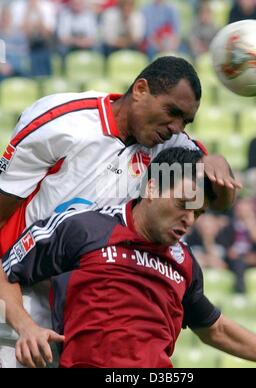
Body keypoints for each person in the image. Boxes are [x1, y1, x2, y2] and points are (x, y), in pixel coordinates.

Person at [0, 56, 240, 367]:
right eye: (172, 113)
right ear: (140, 89)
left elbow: (215, 202)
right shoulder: (61, 122)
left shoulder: (168, 149)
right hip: (18, 301)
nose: (176, 128)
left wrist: (218, 162)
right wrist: (17, 312)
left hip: (80, 318)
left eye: (186, 122)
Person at [1, 147, 256, 368]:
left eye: (198, 213)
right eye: (184, 203)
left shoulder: (185, 263)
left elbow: (217, 330)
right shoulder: (84, 228)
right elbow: (7, 271)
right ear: (153, 185)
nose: (189, 220)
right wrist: (26, 327)